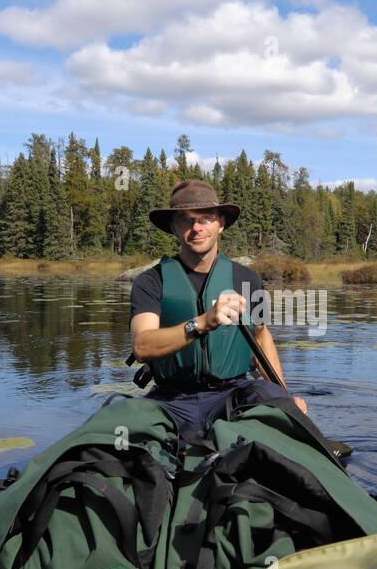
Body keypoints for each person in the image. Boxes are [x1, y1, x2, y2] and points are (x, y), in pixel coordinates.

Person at [129, 179, 309, 436]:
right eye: (186, 220)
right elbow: (142, 347)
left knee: (283, 412)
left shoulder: (248, 280)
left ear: (221, 224)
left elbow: (260, 336)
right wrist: (202, 323)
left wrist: (284, 397)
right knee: (119, 425)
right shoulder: (151, 282)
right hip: (171, 398)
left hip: (233, 393)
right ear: (173, 227)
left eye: (206, 218)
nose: (196, 227)